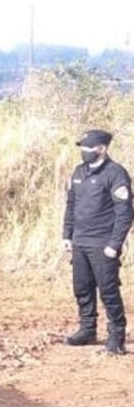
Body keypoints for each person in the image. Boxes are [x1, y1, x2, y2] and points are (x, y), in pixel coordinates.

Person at [63, 129, 134, 354]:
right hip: (80, 241)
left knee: (108, 290)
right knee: (82, 288)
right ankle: (87, 329)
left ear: (102, 149)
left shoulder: (116, 174)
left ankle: (116, 336)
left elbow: (125, 214)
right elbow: (71, 206)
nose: (84, 152)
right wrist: (67, 235)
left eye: (88, 148)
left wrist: (114, 244)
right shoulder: (79, 172)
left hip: (103, 243)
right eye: (82, 148)